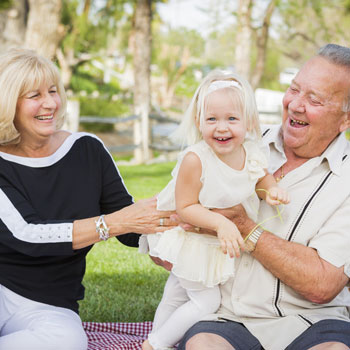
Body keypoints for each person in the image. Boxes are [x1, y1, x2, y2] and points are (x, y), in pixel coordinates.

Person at [0, 48, 176, 350]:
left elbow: (129, 225)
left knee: (68, 342)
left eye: (53, 91)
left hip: (49, 304)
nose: (51, 103)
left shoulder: (87, 150)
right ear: (7, 103)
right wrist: (110, 224)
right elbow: (27, 234)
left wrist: (177, 220)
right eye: (35, 96)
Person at [177, 44, 350, 350]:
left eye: (314, 100)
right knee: (202, 345)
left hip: (315, 322)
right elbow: (182, 216)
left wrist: (245, 229)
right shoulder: (236, 142)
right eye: (294, 89)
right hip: (225, 317)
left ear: (346, 119)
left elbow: (322, 284)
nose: (296, 105)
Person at [140, 70, 289, 350]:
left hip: (209, 242)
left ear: (249, 122)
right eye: (212, 119)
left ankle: (156, 338)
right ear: (199, 122)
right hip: (191, 239)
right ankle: (155, 344)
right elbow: (185, 208)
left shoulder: (252, 153)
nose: (221, 127)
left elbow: (260, 177)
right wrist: (222, 224)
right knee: (206, 301)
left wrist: (272, 190)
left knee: (175, 294)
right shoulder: (196, 159)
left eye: (232, 119)